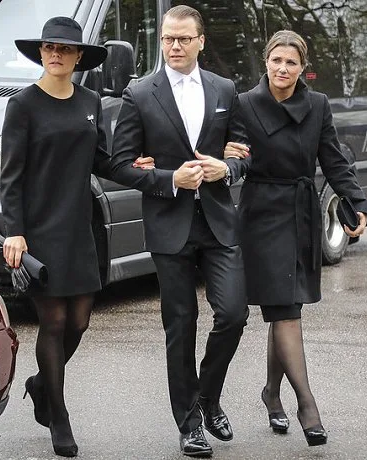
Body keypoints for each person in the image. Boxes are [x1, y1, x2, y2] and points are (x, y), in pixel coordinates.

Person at [0, 16, 152, 458]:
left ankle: (40, 383)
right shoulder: (22, 105)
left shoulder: (89, 101)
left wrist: (135, 164)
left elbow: (100, 160)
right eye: (49, 48)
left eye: (64, 49)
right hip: (39, 230)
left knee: (81, 320)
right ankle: (59, 417)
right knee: (54, 322)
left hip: (80, 227)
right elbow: (11, 176)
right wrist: (15, 233)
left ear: (78, 57)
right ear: (41, 53)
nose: (55, 54)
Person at [111, 5, 249, 458]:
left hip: (217, 221)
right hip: (168, 223)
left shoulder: (225, 89)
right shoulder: (139, 93)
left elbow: (245, 154)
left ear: (200, 42)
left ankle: (207, 397)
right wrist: (168, 178)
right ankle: (188, 421)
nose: (174, 46)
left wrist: (224, 168)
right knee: (181, 323)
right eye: (168, 39)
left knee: (232, 314)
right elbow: (119, 162)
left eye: (183, 39)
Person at [223, 30, 367, 447]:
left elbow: (334, 159)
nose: (283, 69)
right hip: (262, 216)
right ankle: (307, 404)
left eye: (291, 63)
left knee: (284, 307)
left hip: (302, 213)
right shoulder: (245, 104)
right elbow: (232, 154)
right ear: (265, 63)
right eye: (276, 61)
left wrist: (357, 201)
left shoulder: (318, 104)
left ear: (301, 67)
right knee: (285, 311)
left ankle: (271, 393)